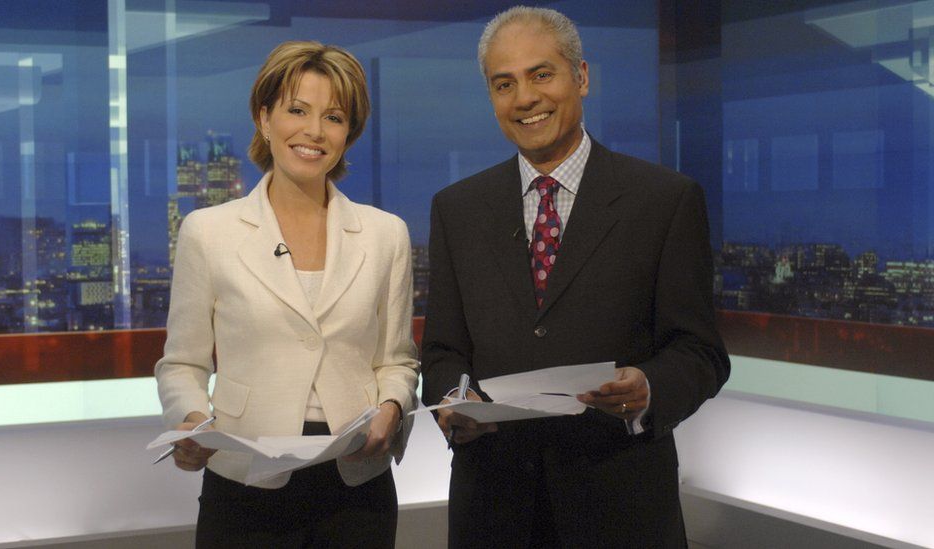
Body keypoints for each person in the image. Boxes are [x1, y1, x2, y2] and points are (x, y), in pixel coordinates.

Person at [421, 6, 730, 548]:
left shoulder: (665, 200)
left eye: (542, 74)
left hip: (622, 505)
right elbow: (444, 349)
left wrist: (650, 387)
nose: (525, 98)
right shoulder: (456, 209)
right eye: (504, 83)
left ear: (581, 77)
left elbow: (700, 352)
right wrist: (454, 402)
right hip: (494, 509)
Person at [155, 40, 418, 548]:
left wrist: (392, 406)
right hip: (245, 473)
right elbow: (182, 364)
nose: (314, 131)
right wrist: (190, 420)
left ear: (349, 132)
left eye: (334, 117)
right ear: (264, 118)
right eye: (297, 110)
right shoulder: (208, 232)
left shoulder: (387, 234)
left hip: (356, 476)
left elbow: (398, 362)